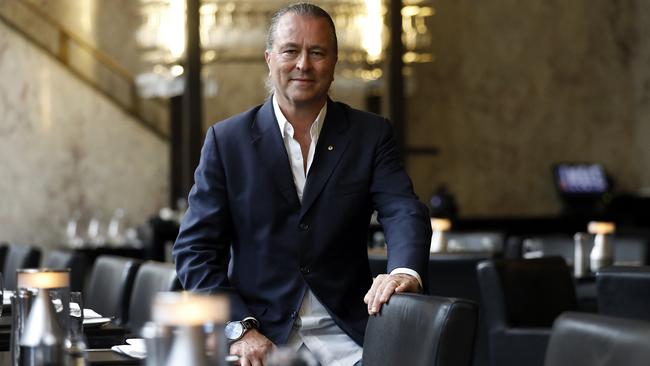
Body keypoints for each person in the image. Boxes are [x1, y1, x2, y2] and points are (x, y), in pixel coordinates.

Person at [172, 3, 432, 365]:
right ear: (269, 58)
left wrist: (403, 271)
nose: (303, 65)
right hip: (260, 340)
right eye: (291, 51)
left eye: (317, 52)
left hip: (351, 337)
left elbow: (403, 209)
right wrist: (240, 330)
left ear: (335, 61)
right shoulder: (226, 141)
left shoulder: (370, 135)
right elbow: (194, 252)